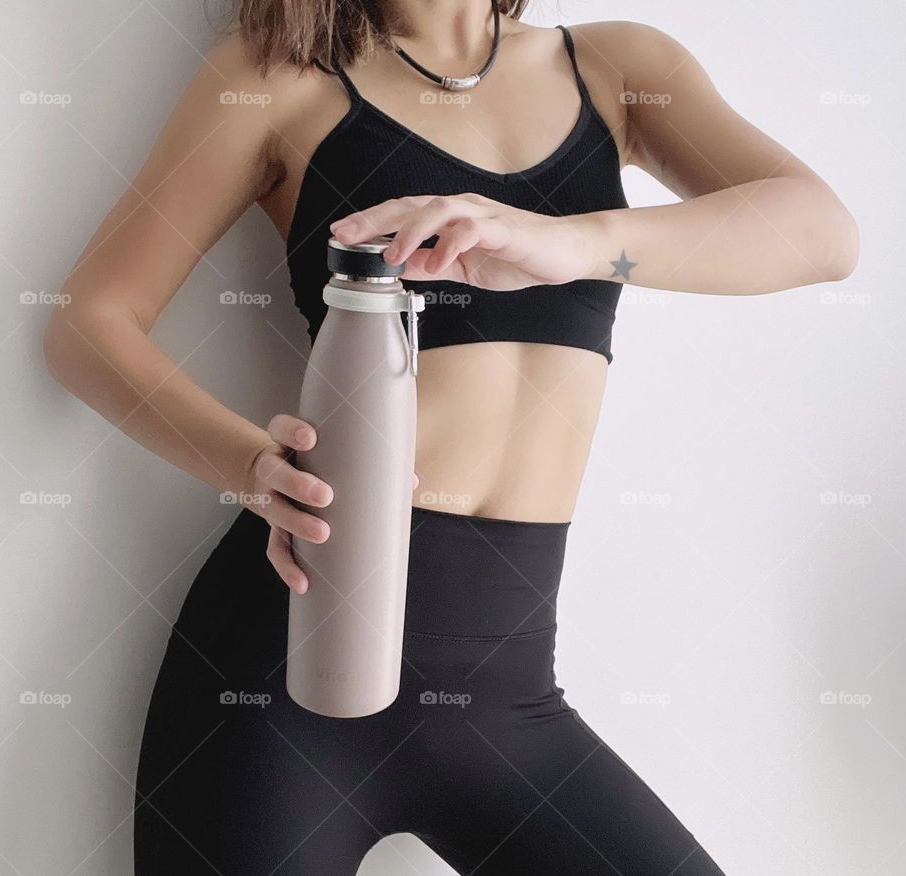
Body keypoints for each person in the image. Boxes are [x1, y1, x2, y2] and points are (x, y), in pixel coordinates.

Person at [43, 1, 858, 872]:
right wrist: (247, 464)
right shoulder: (275, 74)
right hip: (286, 663)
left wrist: (567, 242)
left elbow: (822, 234)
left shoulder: (619, 68)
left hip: (508, 691)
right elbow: (89, 322)